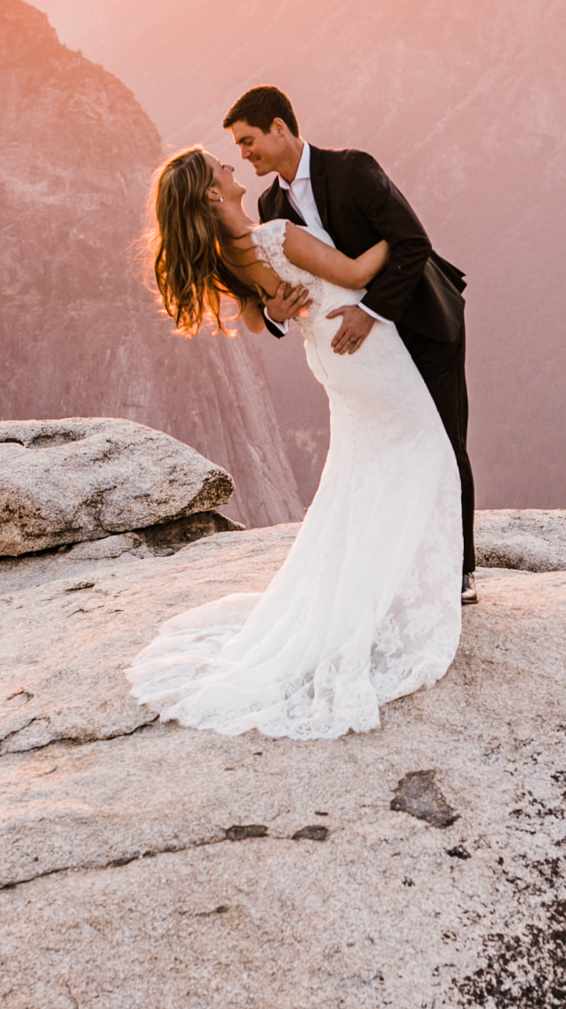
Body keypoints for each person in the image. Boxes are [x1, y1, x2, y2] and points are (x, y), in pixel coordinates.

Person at [126, 143, 462, 740]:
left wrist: (273, 302)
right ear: (210, 192)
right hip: (364, 351)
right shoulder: (274, 234)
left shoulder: (230, 253)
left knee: (363, 470)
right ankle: (403, 595)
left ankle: (377, 592)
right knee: (423, 451)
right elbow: (357, 275)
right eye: (220, 168)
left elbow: (258, 319)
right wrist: (408, 236)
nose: (233, 169)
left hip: (330, 359)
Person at [226, 85, 476, 601]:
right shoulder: (272, 205)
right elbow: (282, 291)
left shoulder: (352, 168)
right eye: (238, 148)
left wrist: (368, 312)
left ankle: (459, 571)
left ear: (279, 126)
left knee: (444, 443)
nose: (244, 154)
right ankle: (401, 565)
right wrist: (274, 316)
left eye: (248, 141)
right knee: (390, 449)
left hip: (423, 323)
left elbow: (412, 241)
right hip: (364, 355)